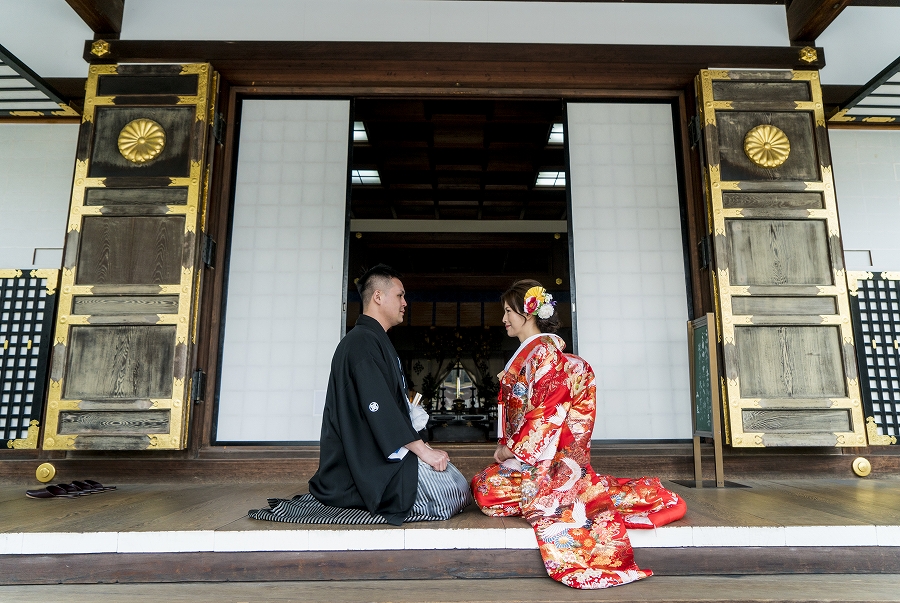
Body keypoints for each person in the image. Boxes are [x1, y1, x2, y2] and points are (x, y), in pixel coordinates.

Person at [471, 279, 687, 589]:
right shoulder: (534, 353)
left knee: (487, 491)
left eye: (508, 311)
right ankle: (595, 491)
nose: (503, 319)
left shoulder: (544, 353)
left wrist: (509, 451)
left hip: (545, 461)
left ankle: (628, 494)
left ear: (528, 312)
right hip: (533, 459)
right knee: (483, 486)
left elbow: (545, 415)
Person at [308, 264, 471, 525]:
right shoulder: (360, 343)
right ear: (378, 297)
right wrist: (422, 451)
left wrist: (419, 446)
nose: (405, 303)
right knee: (450, 492)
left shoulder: (374, 340)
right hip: (359, 465)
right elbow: (379, 406)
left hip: (381, 452)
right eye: (400, 295)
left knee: (457, 485)